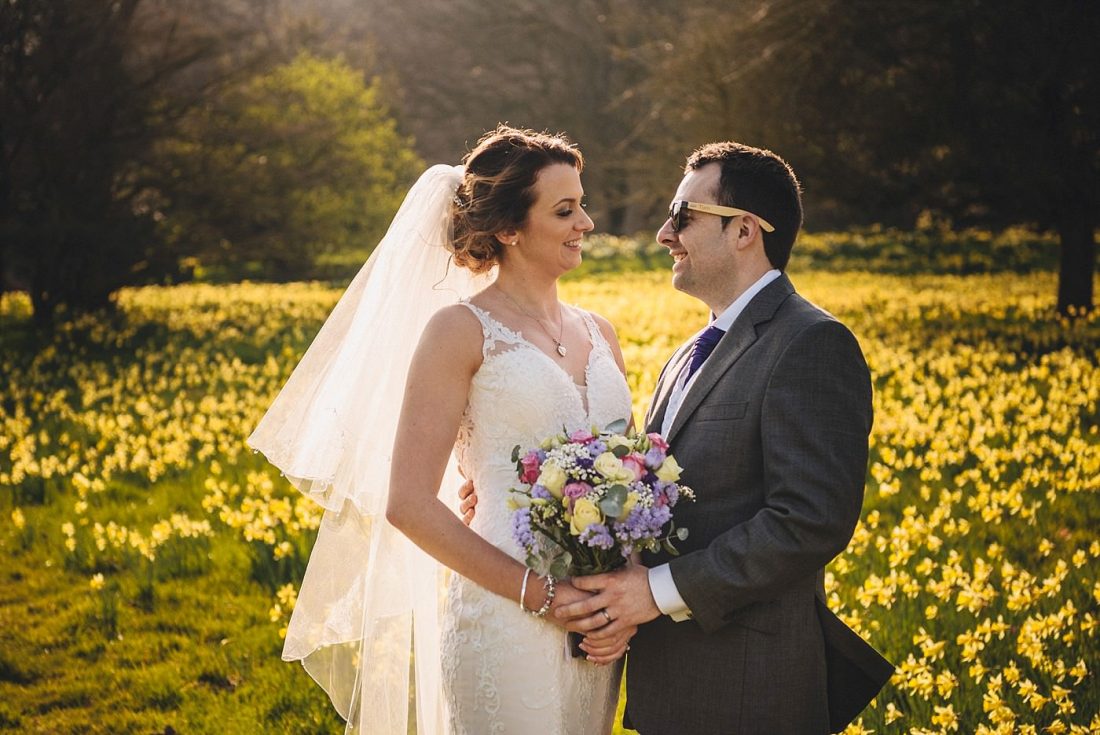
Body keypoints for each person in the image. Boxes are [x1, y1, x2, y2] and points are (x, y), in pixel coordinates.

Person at [461, 141, 893, 733]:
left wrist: (656, 592)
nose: (665, 233)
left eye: (684, 215)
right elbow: (643, 490)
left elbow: (811, 519)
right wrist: (529, 501)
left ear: (744, 231)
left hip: (751, 687)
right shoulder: (689, 353)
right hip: (668, 687)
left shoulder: (811, 343)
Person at [249, 125, 634, 735]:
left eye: (581, 203)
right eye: (565, 210)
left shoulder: (600, 333)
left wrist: (619, 601)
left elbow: (626, 481)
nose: (586, 221)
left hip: (596, 624)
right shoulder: (459, 331)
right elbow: (407, 504)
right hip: (509, 612)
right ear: (508, 229)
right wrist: (542, 595)